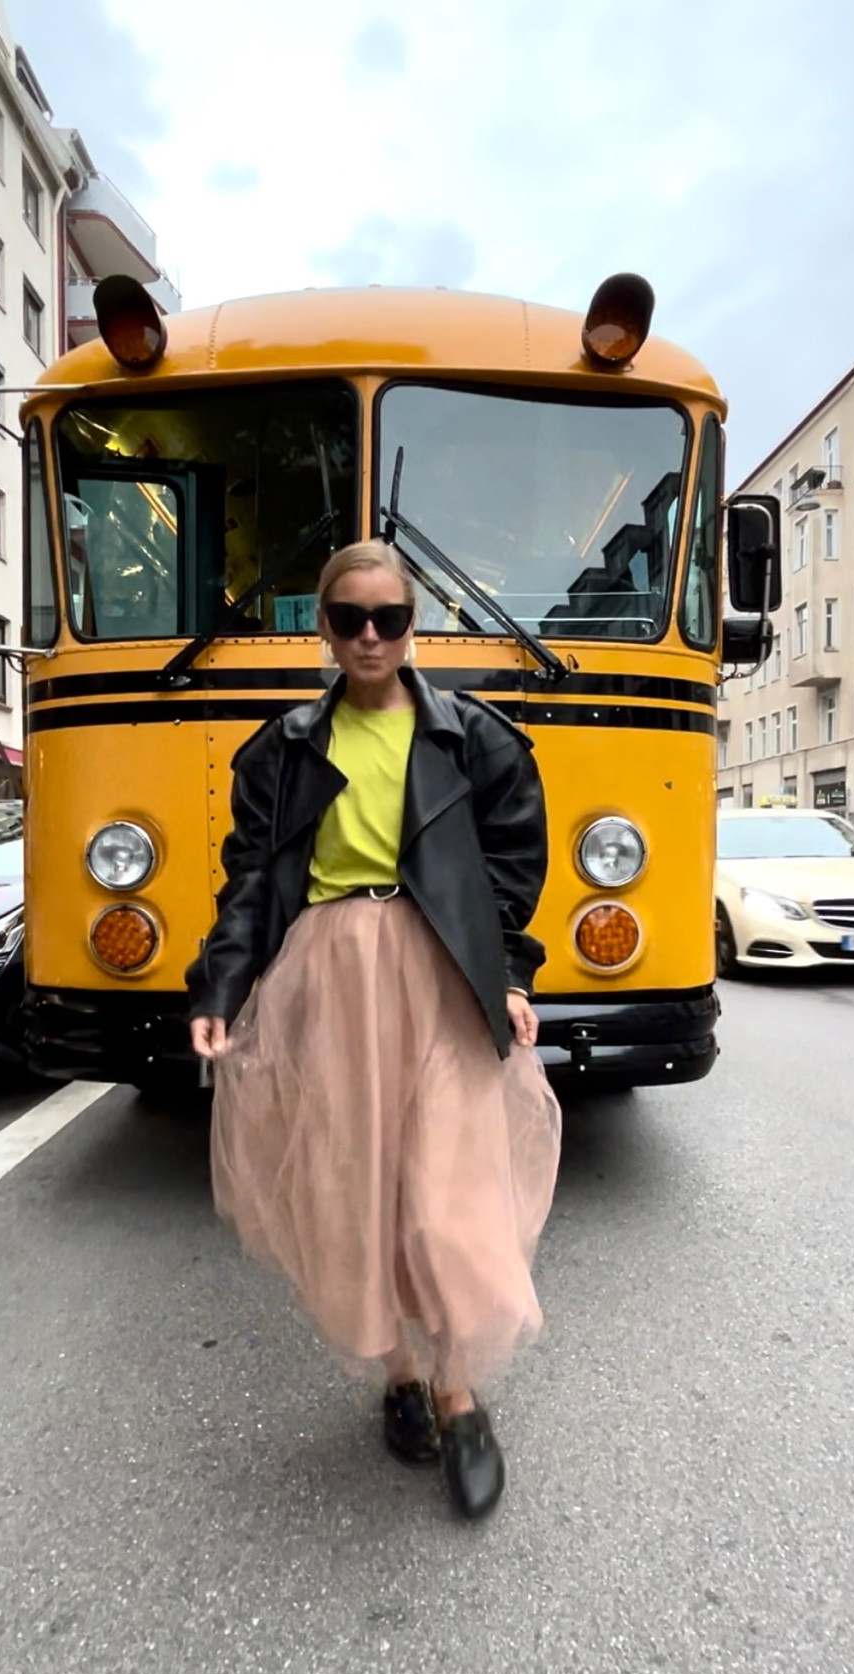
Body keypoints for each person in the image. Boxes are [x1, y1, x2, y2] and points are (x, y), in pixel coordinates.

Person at [188, 539, 561, 1520]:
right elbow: (250, 883)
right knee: (355, 1184)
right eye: (348, 617)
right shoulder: (284, 749)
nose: (367, 635)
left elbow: (512, 872)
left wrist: (511, 974)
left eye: (387, 618)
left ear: (410, 628)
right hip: (330, 977)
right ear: (323, 626)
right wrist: (220, 990)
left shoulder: (473, 739)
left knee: (444, 1194)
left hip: (439, 973)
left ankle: (457, 1392)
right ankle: (400, 1375)